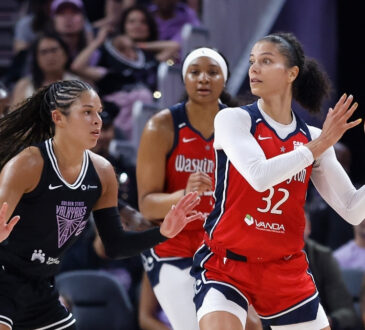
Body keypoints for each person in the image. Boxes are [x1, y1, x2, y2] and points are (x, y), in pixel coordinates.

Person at [190, 31, 364, 330]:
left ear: (291, 73)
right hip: (227, 264)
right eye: (252, 61)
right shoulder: (233, 119)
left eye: (266, 61)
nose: (253, 69)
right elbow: (259, 177)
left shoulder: (311, 138)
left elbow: (353, 209)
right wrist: (320, 145)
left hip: (285, 268)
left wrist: (319, 145)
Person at [0, 79, 202, 330]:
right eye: (87, 112)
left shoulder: (103, 172)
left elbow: (115, 245)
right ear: (58, 118)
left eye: (98, 112)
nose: (97, 120)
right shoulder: (28, 164)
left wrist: (162, 233)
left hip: (40, 288)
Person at [137, 46, 238, 330]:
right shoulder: (161, 126)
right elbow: (146, 204)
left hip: (220, 246)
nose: (203, 79)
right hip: (173, 247)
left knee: (251, 324)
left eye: (212, 72)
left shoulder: (241, 125)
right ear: (185, 79)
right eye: (195, 72)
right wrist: (184, 195)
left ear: (224, 79)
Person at [304, 212, 361, 330]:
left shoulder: (322, 257)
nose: (293, 229)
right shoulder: (266, 258)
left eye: (299, 223)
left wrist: (326, 321)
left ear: (308, 227)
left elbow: (347, 313)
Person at [10, 32, 79, 108]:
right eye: (44, 52)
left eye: (54, 50)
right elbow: (14, 117)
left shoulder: (77, 84)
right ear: (36, 59)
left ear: (65, 54)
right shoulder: (24, 85)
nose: (50, 56)